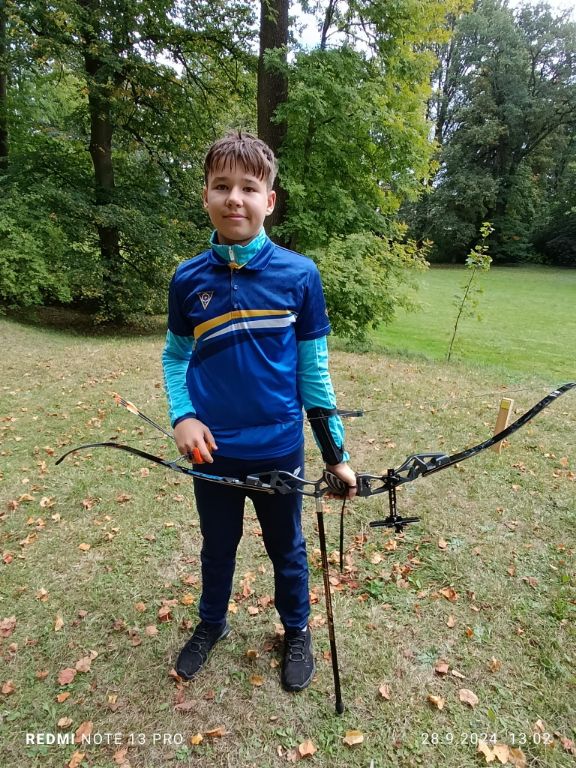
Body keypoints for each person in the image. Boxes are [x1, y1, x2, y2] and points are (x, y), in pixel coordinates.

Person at [162, 130, 356, 693]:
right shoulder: (187, 279)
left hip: (278, 449)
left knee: (287, 549)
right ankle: (212, 623)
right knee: (217, 546)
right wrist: (183, 416)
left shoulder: (299, 275)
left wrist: (336, 456)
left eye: (249, 187)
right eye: (221, 186)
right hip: (212, 451)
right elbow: (175, 357)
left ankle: (297, 630)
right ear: (205, 195)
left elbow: (314, 375)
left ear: (269, 200)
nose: (234, 198)